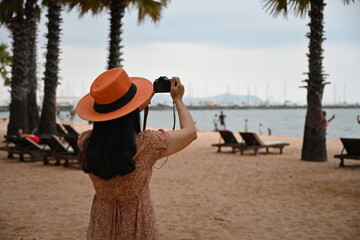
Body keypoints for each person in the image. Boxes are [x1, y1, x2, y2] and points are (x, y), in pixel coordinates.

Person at [76, 67, 197, 240]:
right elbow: (190, 132)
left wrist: (138, 100)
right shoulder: (147, 144)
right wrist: (177, 99)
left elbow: (116, 120)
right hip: (137, 223)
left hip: (101, 223)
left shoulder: (85, 142)